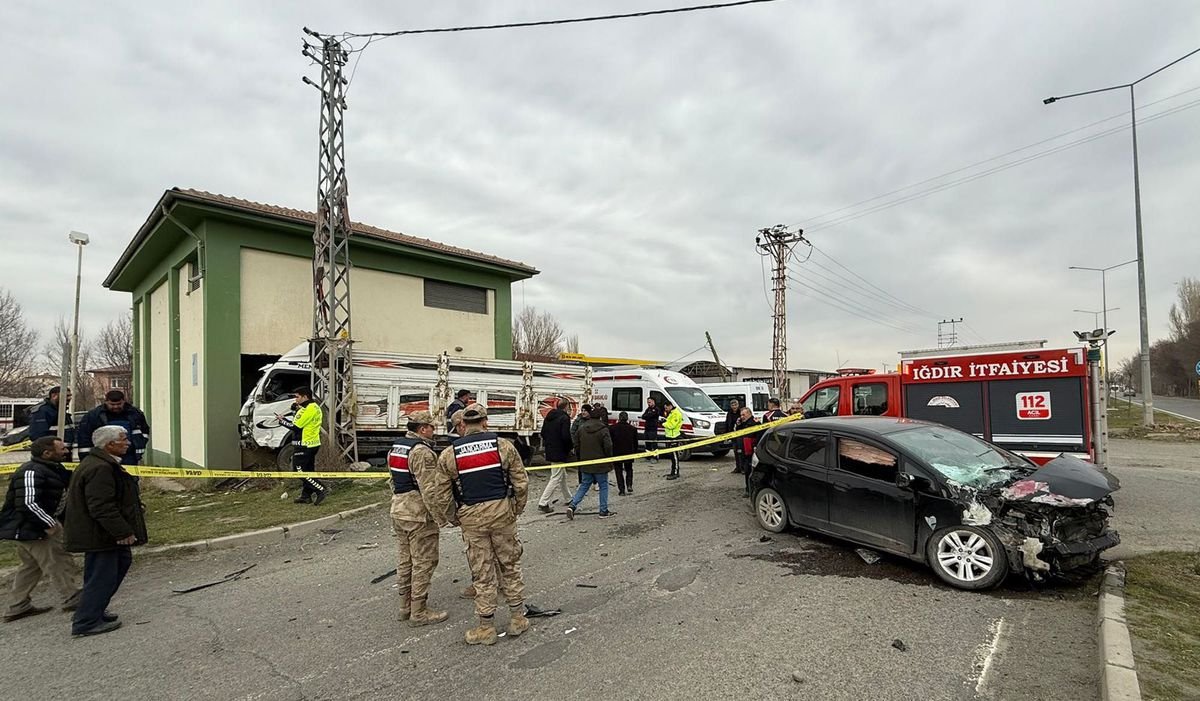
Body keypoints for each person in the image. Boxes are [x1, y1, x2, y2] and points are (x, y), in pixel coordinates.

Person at [425, 404, 529, 646]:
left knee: (481, 572)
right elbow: (521, 483)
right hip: (502, 512)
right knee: (510, 565)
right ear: (485, 422)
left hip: (471, 516)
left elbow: (439, 494)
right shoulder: (503, 446)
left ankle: (485, 627)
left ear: (463, 425)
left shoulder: (450, 454)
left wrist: (454, 516)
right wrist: (516, 508)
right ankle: (517, 618)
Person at [63, 425, 147, 637]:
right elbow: (101, 506)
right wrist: (121, 532)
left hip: (101, 532)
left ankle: (93, 610)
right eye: (123, 439)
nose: (127, 443)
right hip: (100, 534)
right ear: (109, 444)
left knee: (115, 567)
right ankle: (86, 621)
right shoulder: (100, 468)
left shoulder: (101, 463)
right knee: (103, 576)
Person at [0, 436, 82, 622]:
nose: (66, 451)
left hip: (31, 527)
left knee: (30, 566)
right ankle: (71, 596)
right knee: (58, 560)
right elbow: (28, 503)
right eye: (62, 449)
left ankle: (18, 605)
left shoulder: (53, 468)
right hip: (34, 528)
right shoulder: (30, 471)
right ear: (47, 453)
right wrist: (48, 523)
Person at [387, 411, 449, 627]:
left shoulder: (397, 447)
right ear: (423, 428)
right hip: (418, 514)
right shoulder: (422, 452)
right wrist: (441, 516)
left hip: (399, 508)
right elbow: (429, 490)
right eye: (431, 426)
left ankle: (405, 606)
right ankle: (419, 612)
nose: (434, 430)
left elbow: (393, 479)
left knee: (406, 560)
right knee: (424, 561)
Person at [278, 387, 327, 506]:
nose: (295, 399)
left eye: (297, 396)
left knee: (299, 471)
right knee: (308, 471)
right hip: (310, 444)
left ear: (305, 397)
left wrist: (282, 420)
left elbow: (296, 427)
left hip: (305, 445)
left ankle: (320, 488)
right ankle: (306, 496)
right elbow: (301, 422)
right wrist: (295, 411)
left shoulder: (309, 409)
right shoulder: (311, 408)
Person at [77, 390, 151, 466]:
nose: (116, 407)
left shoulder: (135, 414)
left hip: (130, 457)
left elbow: (145, 431)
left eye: (119, 404)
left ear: (124, 401)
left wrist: (140, 444)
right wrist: (86, 459)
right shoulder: (94, 416)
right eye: (112, 404)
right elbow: (84, 438)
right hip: (105, 457)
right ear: (106, 402)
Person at [567, 406, 614, 519]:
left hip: (585, 462)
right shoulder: (603, 429)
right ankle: (603, 510)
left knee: (584, 485)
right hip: (600, 463)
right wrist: (609, 459)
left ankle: (572, 505)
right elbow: (608, 446)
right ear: (600, 418)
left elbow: (576, 444)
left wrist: (580, 456)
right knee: (603, 486)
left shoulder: (582, 428)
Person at [537, 398, 574, 513]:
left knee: (561, 475)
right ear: (566, 406)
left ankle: (568, 498)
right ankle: (543, 502)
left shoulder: (549, 416)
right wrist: (570, 447)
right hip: (560, 451)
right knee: (556, 477)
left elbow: (543, 433)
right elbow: (566, 436)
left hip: (551, 449)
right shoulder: (564, 418)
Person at [609, 411, 638, 496]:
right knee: (629, 469)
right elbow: (635, 443)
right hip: (629, 452)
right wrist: (635, 452)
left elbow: (610, 441)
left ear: (619, 418)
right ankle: (629, 484)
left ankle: (621, 490)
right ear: (627, 418)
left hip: (617, 452)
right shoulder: (633, 429)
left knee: (618, 471)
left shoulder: (612, 428)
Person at [735, 407, 760, 497]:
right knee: (746, 471)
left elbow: (758, 436)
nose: (742, 417)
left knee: (752, 472)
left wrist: (756, 446)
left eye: (743, 415)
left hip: (751, 451)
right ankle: (748, 489)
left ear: (749, 414)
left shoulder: (754, 423)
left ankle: (752, 490)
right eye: (741, 415)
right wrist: (738, 424)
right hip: (744, 451)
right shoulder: (742, 423)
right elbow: (738, 434)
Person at [662, 399, 684, 480]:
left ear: (670, 406)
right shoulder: (671, 413)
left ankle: (675, 473)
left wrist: (663, 423)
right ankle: (672, 471)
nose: (665, 409)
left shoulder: (676, 414)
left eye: (666, 408)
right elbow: (669, 422)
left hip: (674, 437)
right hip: (669, 436)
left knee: (674, 456)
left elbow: (671, 425)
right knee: (671, 456)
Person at [570, 404, 592, 485]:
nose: (583, 412)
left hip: (591, 447)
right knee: (581, 466)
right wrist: (574, 443)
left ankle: (594, 482)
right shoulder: (578, 420)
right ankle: (581, 483)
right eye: (582, 410)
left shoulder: (592, 420)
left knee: (592, 465)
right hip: (580, 447)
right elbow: (572, 432)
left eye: (585, 411)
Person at [640, 398, 662, 463]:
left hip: (653, 429)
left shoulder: (656, 409)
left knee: (654, 444)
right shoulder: (648, 409)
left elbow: (650, 415)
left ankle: (655, 457)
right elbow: (643, 416)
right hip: (647, 428)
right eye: (648, 402)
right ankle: (648, 457)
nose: (648, 404)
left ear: (653, 402)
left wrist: (648, 415)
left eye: (649, 402)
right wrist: (648, 415)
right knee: (647, 443)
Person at [725, 399, 743, 474]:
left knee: (741, 452)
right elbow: (727, 423)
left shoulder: (741, 412)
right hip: (733, 435)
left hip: (741, 435)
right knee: (735, 452)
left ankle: (743, 468)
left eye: (735, 405)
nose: (734, 406)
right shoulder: (729, 413)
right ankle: (738, 467)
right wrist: (726, 435)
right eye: (732, 405)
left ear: (738, 405)